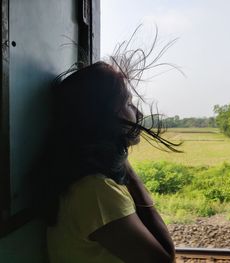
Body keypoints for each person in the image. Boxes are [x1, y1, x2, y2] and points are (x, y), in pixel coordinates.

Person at [44, 38, 181, 263]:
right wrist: (131, 175)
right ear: (101, 117)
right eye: (127, 103)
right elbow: (165, 259)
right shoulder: (96, 191)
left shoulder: (85, 182)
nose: (137, 113)